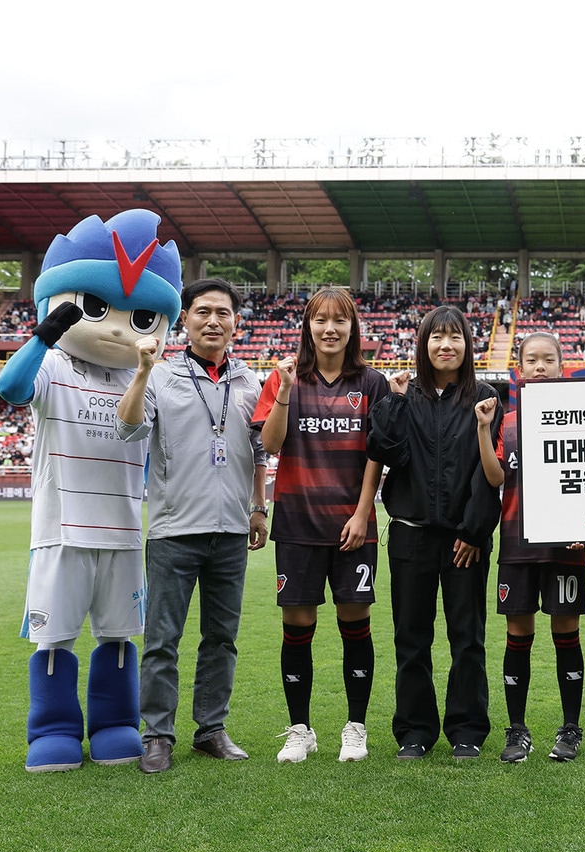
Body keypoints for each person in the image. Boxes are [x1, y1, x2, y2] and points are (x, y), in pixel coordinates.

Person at [0, 209, 183, 773]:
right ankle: (51, 729)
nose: (117, 328)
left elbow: (137, 427)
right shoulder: (53, 364)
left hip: (125, 532)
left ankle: (114, 724)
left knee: (120, 638)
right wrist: (40, 337)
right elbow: (9, 387)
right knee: (55, 639)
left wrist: (146, 370)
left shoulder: (144, 380)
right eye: (97, 308)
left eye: (142, 316)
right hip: (62, 531)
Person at [116, 277, 268, 775]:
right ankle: (157, 734)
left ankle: (211, 730)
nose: (212, 320)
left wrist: (259, 508)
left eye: (222, 313)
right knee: (162, 638)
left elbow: (261, 450)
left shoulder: (251, 381)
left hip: (230, 531)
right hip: (173, 530)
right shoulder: (161, 375)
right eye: (203, 311)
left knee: (221, 638)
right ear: (187, 320)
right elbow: (129, 426)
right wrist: (140, 370)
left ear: (236, 324)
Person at [255, 287, 389, 764]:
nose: (330, 328)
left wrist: (361, 512)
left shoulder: (372, 383)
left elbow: (377, 453)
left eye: (340, 320)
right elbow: (270, 445)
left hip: (353, 527)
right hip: (296, 524)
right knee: (298, 623)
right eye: (320, 320)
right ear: (307, 327)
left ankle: (355, 727)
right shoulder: (284, 378)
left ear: (353, 328)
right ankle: (300, 730)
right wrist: (286, 394)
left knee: (355, 622)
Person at [368, 306, 504, 760]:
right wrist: (393, 401)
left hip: (466, 539)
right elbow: (383, 451)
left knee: (467, 636)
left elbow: (486, 476)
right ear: (423, 344)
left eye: (455, 337)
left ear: (467, 345)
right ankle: (415, 731)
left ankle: (467, 729)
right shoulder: (406, 396)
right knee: (412, 637)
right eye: (436, 337)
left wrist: (474, 531)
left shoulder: (484, 396)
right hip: (410, 534)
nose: (446, 345)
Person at [474, 333, 585, 763]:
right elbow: (495, 478)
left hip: (565, 546)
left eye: (548, 361)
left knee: (565, 634)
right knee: (517, 634)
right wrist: (484, 429)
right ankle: (517, 730)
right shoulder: (505, 420)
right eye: (531, 361)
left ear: (562, 367)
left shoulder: (580, 417)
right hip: (517, 541)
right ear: (518, 369)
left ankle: (570, 728)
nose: (540, 367)